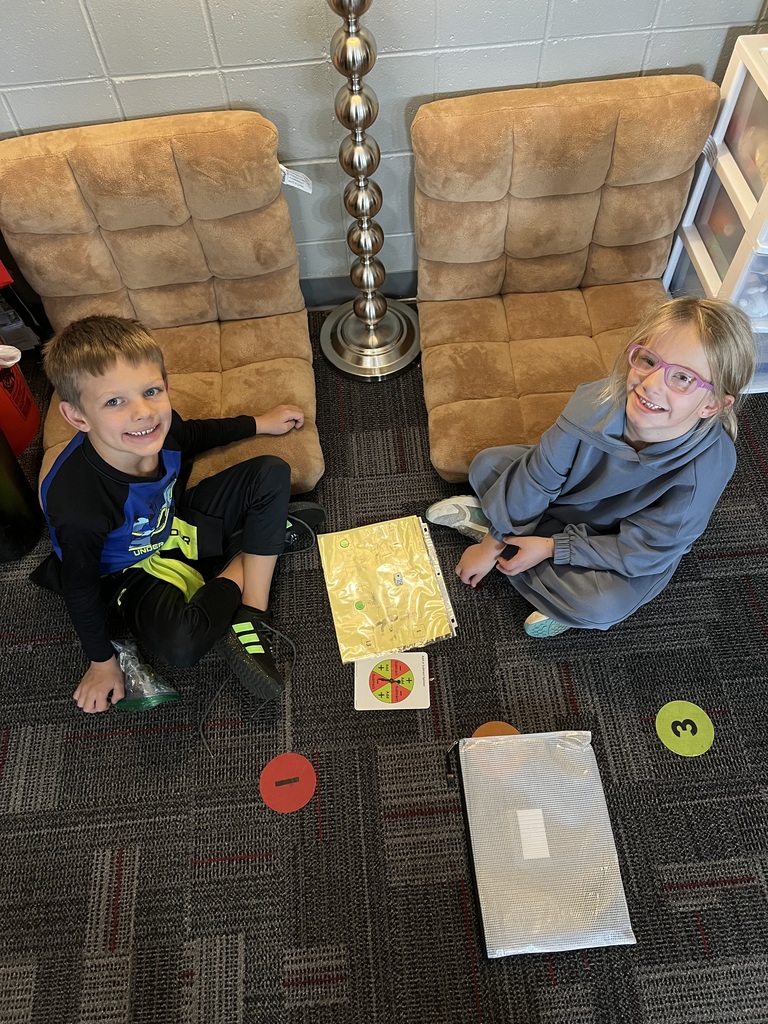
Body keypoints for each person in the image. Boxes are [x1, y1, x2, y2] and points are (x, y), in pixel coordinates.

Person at [33, 315, 324, 713]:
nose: (143, 413)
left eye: (151, 391)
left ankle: (252, 615)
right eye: (114, 402)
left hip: (173, 522)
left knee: (271, 470)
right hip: (127, 571)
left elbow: (197, 435)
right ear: (78, 417)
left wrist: (261, 423)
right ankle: (252, 548)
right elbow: (79, 588)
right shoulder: (78, 503)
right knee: (181, 645)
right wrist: (102, 662)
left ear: (166, 387)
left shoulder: (161, 426)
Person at [426, 297, 756, 638]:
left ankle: (508, 531)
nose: (652, 384)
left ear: (713, 404)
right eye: (648, 360)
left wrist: (551, 547)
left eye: (683, 378)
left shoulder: (708, 467)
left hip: (618, 544)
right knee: (486, 465)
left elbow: (644, 550)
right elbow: (539, 477)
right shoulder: (594, 403)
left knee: (603, 606)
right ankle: (511, 538)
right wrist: (491, 546)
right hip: (567, 504)